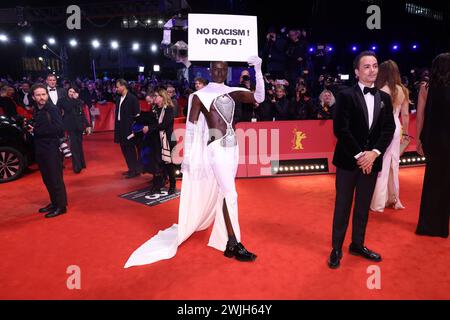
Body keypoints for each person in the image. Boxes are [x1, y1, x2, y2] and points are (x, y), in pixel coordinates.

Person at [125, 56, 265, 268]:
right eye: (216, 69)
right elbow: (190, 129)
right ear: (210, 71)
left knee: (224, 193)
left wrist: (258, 68)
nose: (219, 72)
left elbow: (260, 97)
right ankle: (235, 242)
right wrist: (187, 157)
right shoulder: (199, 96)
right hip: (216, 148)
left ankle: (225, 241)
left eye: (223, 69)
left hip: (233, 147)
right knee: (231, 194)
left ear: (226, 71)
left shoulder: (233, 91)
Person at [328, 51, 395, 269]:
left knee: (363, 206)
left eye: (375, 66)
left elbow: (388, 129)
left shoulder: (384, 98)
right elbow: (341, 129)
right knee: (343, 205)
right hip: (349, 161)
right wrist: (360, 155)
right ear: (357, 72)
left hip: (372, 162)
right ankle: (336, 248)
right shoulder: (346, 95)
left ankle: (357, 244)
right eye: (366, 66)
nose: (372, 70)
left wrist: (374, 153)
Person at [416, 53, 450, 238]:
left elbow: (420, 116)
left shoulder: (425, 87)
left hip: (433, 141)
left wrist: (419, 139)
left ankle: (429, 226)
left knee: (432, 182)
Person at [370, 60, 410, 212]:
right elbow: (405, 115)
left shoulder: (381, 90)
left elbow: (377, 115)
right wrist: (405, 133)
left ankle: (379, 202)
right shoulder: (403, 90)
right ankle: (393, 198)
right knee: (394, 164)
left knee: (382, 164)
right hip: (397, 128)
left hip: (384, 128)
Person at [29, 83, 68, 218]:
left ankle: (61, 206)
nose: (41, 97)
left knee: (55, 178)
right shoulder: (37, 109)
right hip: (41, 149)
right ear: (33, 97)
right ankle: (54, 202)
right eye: (38, 95)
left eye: (43, 94)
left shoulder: (52, 109)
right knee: (47, 178)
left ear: (47, 95)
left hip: (51, 148)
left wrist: (37, 130)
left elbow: (59, 128)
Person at [142, 88, 176, 194]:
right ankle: (157, 185)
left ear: (162, 97)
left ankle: (172, 185)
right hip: (157, 140)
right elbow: (152, 121)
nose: (154, 98)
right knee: (158, 164)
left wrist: (150, 128)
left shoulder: (169, 109)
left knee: (169, 164)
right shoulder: (155, 108)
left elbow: (164, 125)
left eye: (156, 96)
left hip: (168, 140)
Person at [57, 86, 92, 173]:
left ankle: (82, 163)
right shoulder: (63, 100)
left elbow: (82, 113)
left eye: (73, 92)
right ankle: (77, 167)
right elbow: (67, 109)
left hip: (79, 125)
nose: (71, 93)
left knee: (79, 145)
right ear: (67, 92)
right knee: (73, 146)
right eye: (70, 91)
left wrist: (87, 125)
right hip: (69, 125)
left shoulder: (79, 101)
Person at [114, 79, 141, 179]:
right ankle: (130, 168)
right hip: (120, 127)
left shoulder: (132, 98)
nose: (116, 89)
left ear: (123, 86)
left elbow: (137, 114)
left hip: (129, 128)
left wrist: (134, 129)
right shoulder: (118, 98)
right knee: (124, 149)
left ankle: (135, 170)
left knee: (130, 149)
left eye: (117, 87)